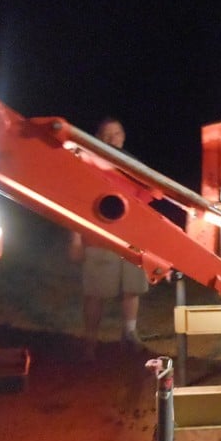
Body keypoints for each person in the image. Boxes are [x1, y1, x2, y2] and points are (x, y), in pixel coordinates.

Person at [70, 117, 148, 360]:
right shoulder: (86, 164)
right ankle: (89, 342)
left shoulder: (132, 165)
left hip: (131, 240)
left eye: (116, 133)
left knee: (131, 290)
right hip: (98, 239)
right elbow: (74, 202)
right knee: (95, 294)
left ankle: (129, 334)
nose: (112, 138)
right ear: (98, 137)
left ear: (123, 137)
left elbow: (145, 203)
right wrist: (75, 238)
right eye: (107, 134)